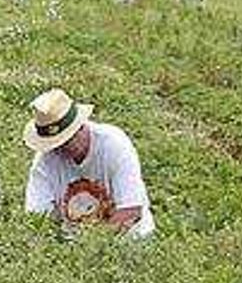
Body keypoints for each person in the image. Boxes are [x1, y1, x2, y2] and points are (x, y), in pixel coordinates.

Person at [21, 88, 153, 238]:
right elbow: (37, 218)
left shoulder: (114, 145)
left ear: (80, 127)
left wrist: (91, 246)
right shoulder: (45, 160)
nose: (61, 149)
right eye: (55, 145)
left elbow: (131, 211)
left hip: (126, 243)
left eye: (67, 141)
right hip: (71, 247)